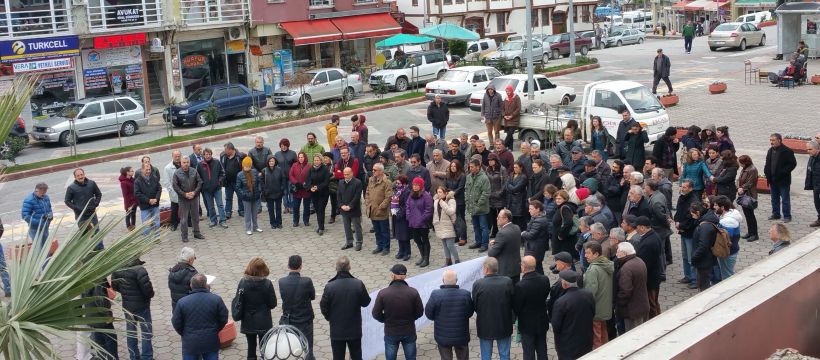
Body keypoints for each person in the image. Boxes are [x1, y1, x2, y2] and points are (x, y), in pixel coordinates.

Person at [320, 256, 371, 360]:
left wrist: (330, 318)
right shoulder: (358, 284)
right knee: (356, 356)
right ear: (349, 267)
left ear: (336, 268)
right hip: (354, 329)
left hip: (337, 330)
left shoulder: (330, 286)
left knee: (338, 357)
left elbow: (323, 306)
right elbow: (366, 302)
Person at [372, 264, 424, 360]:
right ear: (405, 276)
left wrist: (385, 319)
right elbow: (420, 312)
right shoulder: (413, 292)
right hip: (409, 330)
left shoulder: (383, 293)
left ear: (393, 276)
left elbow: (375, 313)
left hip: (391, 332)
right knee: (411, 357)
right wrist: (411, 318)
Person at [171, 274, 228, 360]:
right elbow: (223, 318)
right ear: (206, 285)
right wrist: (215, 329)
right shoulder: (216, 299)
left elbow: (176, 322)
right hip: (210, 341)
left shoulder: (182, 302)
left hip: (190, 343)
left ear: (191, 285)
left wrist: (185, 333)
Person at [425, 269, 474, 360]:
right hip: (461, 336)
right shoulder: (465, 294)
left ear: (443, 280)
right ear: (456, 280)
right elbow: (470, 312)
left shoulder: (436, 294)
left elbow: (429, 314)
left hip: (443, 336)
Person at [111, 257, 155, 360]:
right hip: (142, 306)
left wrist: (126, 293)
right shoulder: (139, 270)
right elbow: (147, 290)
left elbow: (115, 286)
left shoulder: (117, 270)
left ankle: (134, 356)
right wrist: (150, 295)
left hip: (128, 307)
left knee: (131, 333)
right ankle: (147, 357)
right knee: (146, 332)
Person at [472, 257, 514, 360]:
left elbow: (475, 305)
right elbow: (513, 302)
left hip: (485, 325)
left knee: (486, 356)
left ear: (486, 269)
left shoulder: (478, 284)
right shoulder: (507, 281)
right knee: (504, 355)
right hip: (504, 323)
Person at [551, 270, 595, 360]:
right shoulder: (588, 294)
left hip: (568, 344)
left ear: (565, 284)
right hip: (586, 340)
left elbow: (556, 326)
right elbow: (593, 313)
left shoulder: (561, 302)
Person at [278, 255, 316, 360]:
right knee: (308, 345)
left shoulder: (282, 282)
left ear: (288, 265)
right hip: (305, 318)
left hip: (289, 319)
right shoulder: (307, 281)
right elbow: (312, 296)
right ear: (301, 266)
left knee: (292, 345)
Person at [513, 255, 550, 360]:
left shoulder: (520, 286)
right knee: (542, 349)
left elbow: (516, 307)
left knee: (529, 353)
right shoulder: (545, 279)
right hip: (542, 321)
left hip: (527, 325)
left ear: (523, 267)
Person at [583, 242, 614, 348]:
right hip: (605, 307)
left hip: (596, 309)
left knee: (596, 337)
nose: (585, 255)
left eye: (588, 253)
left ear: (596, 254)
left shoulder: (593, 270)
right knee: (603, 332)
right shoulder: (606, 264)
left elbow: (590, 292)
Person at [614, 242, 650, 332]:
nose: (616, 254)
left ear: (624, 253)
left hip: (632, 311)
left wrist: (618, 303)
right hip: (643, 305)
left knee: (633, 336)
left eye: (618, 252)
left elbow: (625, 292)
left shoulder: (626, 269)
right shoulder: (639, 261)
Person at [633, 216, 664, 317]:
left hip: (650, 279)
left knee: (651, 303)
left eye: (636, 227)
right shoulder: (653, 235)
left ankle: (654, 321)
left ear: (642, 227)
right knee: (654, 301)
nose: (636, 230)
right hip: (654, 275)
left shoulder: (649, 242)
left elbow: (645, 263)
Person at [764, 133, 797, 223]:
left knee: (785, 199)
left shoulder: (787, 151)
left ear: (779, 140)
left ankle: (787, 215)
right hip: (772, 179)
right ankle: (776, 214)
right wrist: (766, 171)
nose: (771, 142)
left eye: (773, 140)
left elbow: (793, 164)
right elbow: (767, 163)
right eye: (770, 140)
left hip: (783, 180)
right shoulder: (770, 150)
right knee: (774, 198)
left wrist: (783, 172)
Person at [365, 163, 393, 254]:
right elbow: (367, 192)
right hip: (372, 209)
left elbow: (388, 197)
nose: (373, 171)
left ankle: (386, 247)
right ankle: (379, 245)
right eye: (373, 170)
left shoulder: (387, 182)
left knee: (384, 231)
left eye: (375, 170)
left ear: (381, 171)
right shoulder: (371, 180)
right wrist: (367, 202)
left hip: (381, 211)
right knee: (377, 231)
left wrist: (381, 207)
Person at [690, 203, 718, 291]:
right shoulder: (706, 221)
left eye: (692, 214)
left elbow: (703, 245)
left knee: (703, 285)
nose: (692, 217)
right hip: (706, 259)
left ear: (698, 212)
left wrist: (694, 257)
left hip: (704, 260)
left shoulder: (704, 226)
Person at [489, 209, 522, 285]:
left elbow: (492, 253)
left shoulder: (502, 233)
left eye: (499, 217)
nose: (497, 218)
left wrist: (491, 245)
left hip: (505, 270)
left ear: (506, 218)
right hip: (516, 267)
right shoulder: (517, 227)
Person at [65, 168, 103, 233]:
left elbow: (98, 194)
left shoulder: (92, 183)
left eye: (81, 174)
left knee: (96, 233)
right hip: (81, 216)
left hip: (92, 214)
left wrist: (96, 203)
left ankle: (99, 243)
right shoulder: (71, 188)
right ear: (75, 177)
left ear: (84, 174)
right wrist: (76, 208)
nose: (80, 177)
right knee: (84, 234)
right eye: (78, 176)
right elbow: (67, 201)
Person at [406, 177, 433, 267]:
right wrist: (409, 216)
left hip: (423, 223)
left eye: (417, 185)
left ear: (421, 186)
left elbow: (428, 210)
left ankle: (426, 258)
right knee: (416, 239)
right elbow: (408, 206)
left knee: (425, 240)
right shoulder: (411, 195)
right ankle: (422, 256)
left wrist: (421, 219)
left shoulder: (426, 196)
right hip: (413, 222)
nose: (415, 187)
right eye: (414, 185)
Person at [198, 148, 228, 228]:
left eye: (209, 154)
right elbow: (198, 177)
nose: (208, 156)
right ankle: (213, 220)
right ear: (203, 155)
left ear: (211, 155)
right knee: (210, 206)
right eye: (206, 154)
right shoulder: (200, 164)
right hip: (206, 190)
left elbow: (222, 173)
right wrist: (203, 185)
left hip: (217, 188)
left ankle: (222, 220)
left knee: (220, 205)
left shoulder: (217, 162)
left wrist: (219, 181)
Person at [466, 159, 491, 252]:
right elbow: (466, 190)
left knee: (483, 227)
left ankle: (484, 244)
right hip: (472, 207)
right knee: (475, 226)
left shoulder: (484, 178)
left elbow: (486, 193)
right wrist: (467, 200)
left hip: (481, 208)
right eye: (470, 167)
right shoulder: (469, 177)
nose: (470, 168)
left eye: (472, 167)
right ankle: (478, 242)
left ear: (478, 167)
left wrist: (478, 204)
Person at [432, 186, 460, 266]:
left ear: (445, 192)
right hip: (440, 226)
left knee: (450, 245)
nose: (439, 194)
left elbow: (451, 212)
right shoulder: (436, 201)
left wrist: (442, 203)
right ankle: (448, 261)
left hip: (449, 225)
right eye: (438, 192)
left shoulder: (451, 200)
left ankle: (457, 260)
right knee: (445, 245)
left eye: (440, 192)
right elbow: (435, 213)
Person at [339, 167, 364, 251]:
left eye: (347, 174)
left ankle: (359, 242)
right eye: (344, 174)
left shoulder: (358, 182)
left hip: (354, 209)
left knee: (357, 227)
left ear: (352, 173)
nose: (345, 176)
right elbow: (338, 195)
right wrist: (341, 205)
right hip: (344, 209)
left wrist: (350, 206)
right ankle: (349, 242)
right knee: (346, 227)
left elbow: (357, 196)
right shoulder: (340, 182)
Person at [305, 153, 331, 235]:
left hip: (323, 193)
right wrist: (310, 187)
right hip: (314, 193)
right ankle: (320, 226)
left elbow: (326, 181)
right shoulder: (311, 169)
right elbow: (308, 180)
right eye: (315, 160)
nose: (316, 162)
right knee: (317, 210)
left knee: (321, 209)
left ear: (321, 160)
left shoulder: (325, 169)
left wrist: (318, 187)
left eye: (318, 160)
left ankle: (321, 228)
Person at [134, 163, 162, 237]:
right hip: (145, 206)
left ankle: (157, 237)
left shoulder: (154, 178)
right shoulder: (137, 181)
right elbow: (137, 194)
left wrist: (156, 199)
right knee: (146, 225)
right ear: (142, 170)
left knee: (157, 223)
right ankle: (147, 240)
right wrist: (148, 200)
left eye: (149, 169)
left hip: (155, 205)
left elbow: (159, 189)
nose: (148, 171)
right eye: (146, 169)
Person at [522, 200, 550, 274]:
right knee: (538, 267)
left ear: (538, 209)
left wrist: (523, 233)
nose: (529, 211)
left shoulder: (539, 221)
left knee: (535, 267)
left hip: (534, 249)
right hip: (536, 248)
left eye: (531, 209)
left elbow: (531, 235)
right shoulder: (536, 217)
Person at [236, 156, 263, 236]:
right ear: (243, 166)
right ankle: (248, 228)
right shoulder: (240, 175)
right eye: (245, 166)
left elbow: (259, 182)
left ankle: (255, 227)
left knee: (255, 213)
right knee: (247, 213)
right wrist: (244, 194)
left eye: (248, 166)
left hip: (255, 196)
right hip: (246, 198)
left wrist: (259, 191)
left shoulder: (254, 172)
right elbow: (238, 187)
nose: (247, 168)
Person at [21, 182, 53, 246]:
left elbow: (49, 208)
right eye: (42, 193)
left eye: (45, 192)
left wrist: (51, 216)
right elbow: (25, 216)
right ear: (36, 190)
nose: (44, 195)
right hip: (35, 229)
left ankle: (47, 256)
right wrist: (38, 222)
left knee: (46, 246)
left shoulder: (46, 197)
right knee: (38, 247)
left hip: (45, 227)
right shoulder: (29, 200)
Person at [737, 155, 760, 240]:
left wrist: (742, 188)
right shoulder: (745, 169)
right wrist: (739, 187)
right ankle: (750, 232)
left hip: (749, 195)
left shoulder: (752, 170)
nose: (739, 164)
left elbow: (750, 183)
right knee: (747, 215)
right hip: (744, 194)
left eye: (740, 162)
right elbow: (739, 179)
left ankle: (754, 234)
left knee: (750, 215)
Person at [221, 142, 246, 218]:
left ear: (231, 149)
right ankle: (228, 212)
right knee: (228, 197)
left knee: (240, 196)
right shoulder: (223, 156)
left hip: (238, 181)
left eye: (226, 150)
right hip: (228, 182)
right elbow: (222, 167)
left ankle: (241, 210)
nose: (224, 151)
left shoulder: (240, 156)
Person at [552, 190, 579, 256]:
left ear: (565, 199)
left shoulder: (564, 208)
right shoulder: (561, 207)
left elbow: (568, 222)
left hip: (564, 241)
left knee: (565, 260)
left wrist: (561, 235)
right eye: (556, 199)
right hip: (563, 240)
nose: (557, 200)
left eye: (559, 198)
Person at [263, 155, 286, 230]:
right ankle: (272, 223)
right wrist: (264, 190)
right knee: (271, 209)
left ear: (275, 162)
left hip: (278, 192)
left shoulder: (279, 170)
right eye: (270, 161)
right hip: (269, 193)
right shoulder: (264, 170)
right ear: (267, 162)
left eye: (272, 161)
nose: (271, 162)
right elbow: (261, 181)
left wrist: (282, 188)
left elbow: (283, 180)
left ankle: (279, 223)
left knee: (278, 209)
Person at [289, 152, 312, 227]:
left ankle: (306, 220)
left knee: (306, 207)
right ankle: (295, 221)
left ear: (305, 157)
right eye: (299, 157)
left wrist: (306, 183)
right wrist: (296, 182)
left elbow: (311, 176)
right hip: (297, 189)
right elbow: (291, 175)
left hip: (306, 189)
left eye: (302, 157)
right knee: (295, 206)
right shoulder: (294, 165)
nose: (301, 158)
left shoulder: (309, 166)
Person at [502, 84, 521, 150]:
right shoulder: (505, 99)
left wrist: (512, 115)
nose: (507, 92)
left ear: (511, 91)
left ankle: (503, 146)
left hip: (514, 119)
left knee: (510, 133)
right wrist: (504, 115)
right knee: (509, 134)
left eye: (508, 91)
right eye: (506, 91)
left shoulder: (516, 98)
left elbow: (518, 108)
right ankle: (510, 148)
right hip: (507, 119)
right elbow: (502, 108)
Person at [119, 166, 137, 231]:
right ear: (127, 172)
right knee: (128, 214)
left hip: (135, 200)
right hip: (129, 202)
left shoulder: (133, 179)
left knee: (133, 214)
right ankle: (129, 227)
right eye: (131, 171)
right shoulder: (123, 183)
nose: (133, 172)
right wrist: (128, 205)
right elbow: (125, 195)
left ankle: (133, 226)